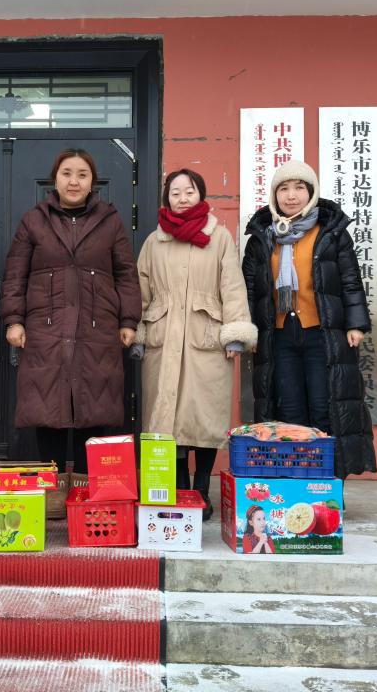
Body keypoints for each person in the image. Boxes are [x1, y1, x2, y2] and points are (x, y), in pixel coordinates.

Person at [1, 148, 141, 519]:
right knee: (47, 409)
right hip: (45, 331)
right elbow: (15, 275)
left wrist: (128, 321)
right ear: (55, 179)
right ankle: (50, 497)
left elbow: (126, 274)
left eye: (82, 174)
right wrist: (14, 320)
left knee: (91, 412)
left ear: (93, 182)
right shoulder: (34, 220)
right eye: (67, 173)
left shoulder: (110, 222)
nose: (74, 181)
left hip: (97, 331)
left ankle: (84, 494)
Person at [133, 169, 257, 520]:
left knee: (204, 419)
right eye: (175, 192)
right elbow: (141, 290)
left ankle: (201, 489)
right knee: (167, 420)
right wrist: (138, 333)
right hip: (163, 339)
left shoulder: (219, 237)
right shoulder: (154, 242)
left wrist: (235, 334)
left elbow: (232, 286)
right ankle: (178, 488)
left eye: (189, 191)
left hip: (206, 339)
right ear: (166, 198)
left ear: (200, 195)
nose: (182, 198)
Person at [243, 160, 377, 478]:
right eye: (284, 189)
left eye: (299, 188)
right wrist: (249, 331)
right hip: (279, 336)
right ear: (274, 195)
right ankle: (296, 483)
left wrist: (356, 324)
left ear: (311, 192)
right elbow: (248, 289)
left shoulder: (331, 233)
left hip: (323, 333)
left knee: (323, 406)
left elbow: (349, 280)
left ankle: (327, 483)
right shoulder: (262, 238)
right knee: (288, 410)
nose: (291, 195)